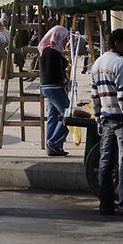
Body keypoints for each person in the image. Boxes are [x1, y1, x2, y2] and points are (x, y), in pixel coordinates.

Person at [90, 28, 123, 215]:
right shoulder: (120, 64)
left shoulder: (97, 63)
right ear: (117, 44)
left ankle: (105, 204)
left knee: (105, 161)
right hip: (120, 119)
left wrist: (98, 118)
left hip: (106, 118)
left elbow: (94, 96)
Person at [39, 25, 71, 157]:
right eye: (64, 38)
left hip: (47, 87)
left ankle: (51, 146)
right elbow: (56, 72)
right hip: (54, 87)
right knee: (69, 115)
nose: (65, 42)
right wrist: (64, 80)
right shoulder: (52, 52)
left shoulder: (47, 50)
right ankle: (54, 142)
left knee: (53, 115)